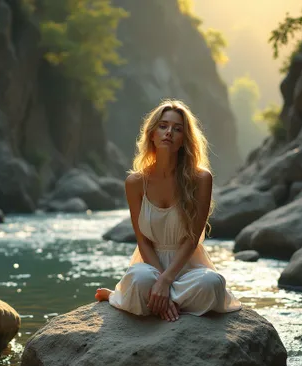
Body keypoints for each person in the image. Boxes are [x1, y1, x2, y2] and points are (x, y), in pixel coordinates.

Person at [95, 99, 241, 322]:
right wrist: (158, 279)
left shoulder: (201, 179)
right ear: (152, 134)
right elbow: (142, 241)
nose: (169, 132)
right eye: (163, 126)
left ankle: (140, 300)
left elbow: (192, 238)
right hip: (149, 265)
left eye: (177, 129)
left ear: (184, 140)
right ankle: (152, 298)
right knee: (138, 278)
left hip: (188, 266)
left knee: (213, 283)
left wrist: (165, 281)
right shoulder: (135, 182)